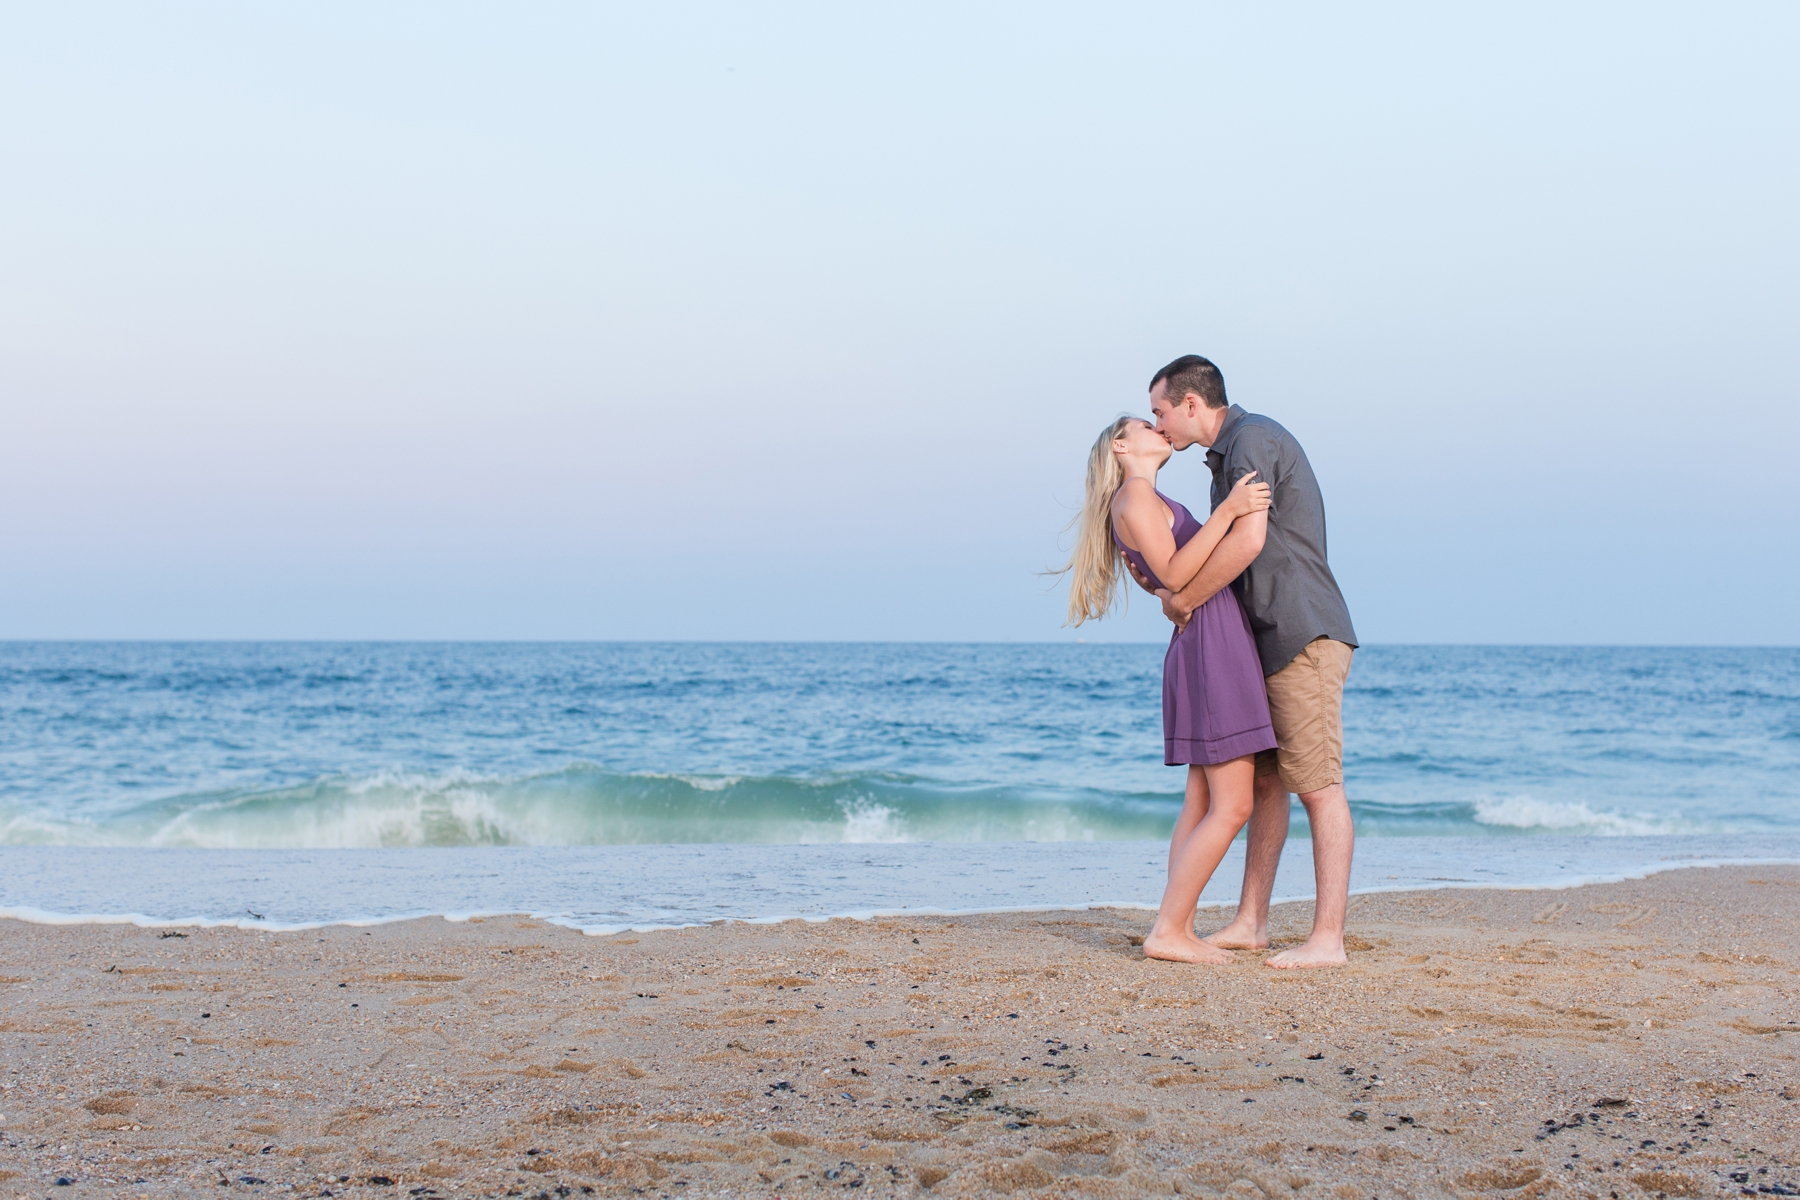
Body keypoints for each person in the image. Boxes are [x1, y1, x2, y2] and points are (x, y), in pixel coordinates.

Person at [1136, 354, 1359, 969]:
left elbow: (1250, 538)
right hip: (1262, 639)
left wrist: (1182, 598)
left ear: (1190, 403)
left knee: (1318, 785)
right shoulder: (1224, 460)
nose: (1159, 427)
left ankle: (1327, 939)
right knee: (1265, 783)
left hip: (1300, 632)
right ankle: (1252, 921)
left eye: (1160, 412)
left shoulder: (1251, 440)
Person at [1061, 414, 1279, 964]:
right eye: (1144, 423)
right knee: (1233, 804)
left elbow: (1170, 577)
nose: (1159, 429)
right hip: (1208, 642)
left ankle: (1175, 923)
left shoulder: (1141, 499)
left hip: (1206, 636)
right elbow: (1178, 574)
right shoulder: (1134, 497)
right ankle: (1169, 930)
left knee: (1203, 799)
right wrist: (1229, 511)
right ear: (1120, 445)